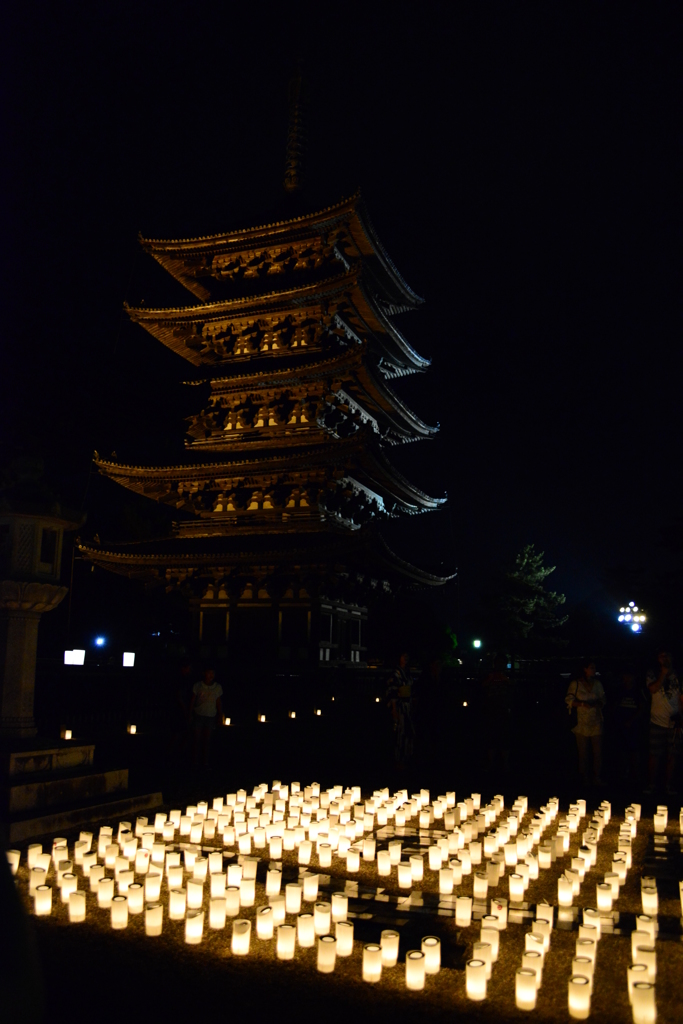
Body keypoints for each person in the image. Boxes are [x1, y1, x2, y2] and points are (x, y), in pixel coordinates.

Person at [645, 650, 682, 795]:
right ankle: (651, 784)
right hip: (657, 721)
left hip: (673, 722)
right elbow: (653, 689)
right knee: (654, 754)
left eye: (667, 655)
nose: (664, 658)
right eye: (661, 656)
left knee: (672, 755)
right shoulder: (653, 673)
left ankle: (668, 785)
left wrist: (681, 718)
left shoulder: (679, 675)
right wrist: (663, 673)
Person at [565, 659, 606, 786]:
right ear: (585, 669)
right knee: (583, 752)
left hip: (595, 721)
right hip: (581, 722)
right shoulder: (576, 684)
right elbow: (569, 700)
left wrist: (598, 704)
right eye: (591, 667)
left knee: (597, 751)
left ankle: (596, 776)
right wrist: (582, 704)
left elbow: (603, 699)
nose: (594, 670)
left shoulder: (597, 684)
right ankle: (584, 777)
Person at [480, 655, 513, 774]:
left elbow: (513, 689)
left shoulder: (507, 676)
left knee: (503, 737)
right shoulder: (489, 676)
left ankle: (504, 764)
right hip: (492, 710)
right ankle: (491, 763)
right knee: (492, 737)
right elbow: (482, 688)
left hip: (503, 710)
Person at [613, 668, 645, 785]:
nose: (627, 678)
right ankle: (624, 772)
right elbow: (615, 706)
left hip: (634, 726)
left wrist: (632, 720)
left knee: (634, 750)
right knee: (623, 750)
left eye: (629, 676)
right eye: (625, 676)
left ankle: (635, 773)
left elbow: (642, 708)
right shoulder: (620, 690)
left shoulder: (637, 691)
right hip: (622, 725)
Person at [386, 652, 416, 770]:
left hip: (407, 706)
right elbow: (392, 691)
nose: (406, 658)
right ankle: (399, 759)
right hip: (400, 706)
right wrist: (394, 709)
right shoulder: (396, 674)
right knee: (401, 733)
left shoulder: (407, 673)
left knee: (409, 732)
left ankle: (407, 757)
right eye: (403, 656)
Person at [189, 667, 224, 768]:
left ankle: (205, 761)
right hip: (198, 714)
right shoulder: (198, 685)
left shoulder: (217, 687)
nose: (211, 675)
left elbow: (218, 702)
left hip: (210, 715)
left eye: (212, 673)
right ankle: (195, 761)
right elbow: (192, 700)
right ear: (204, 673)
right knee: (196, 739)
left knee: (207, 740)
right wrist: (190, 713)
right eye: (209, 673)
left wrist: (220, 715)